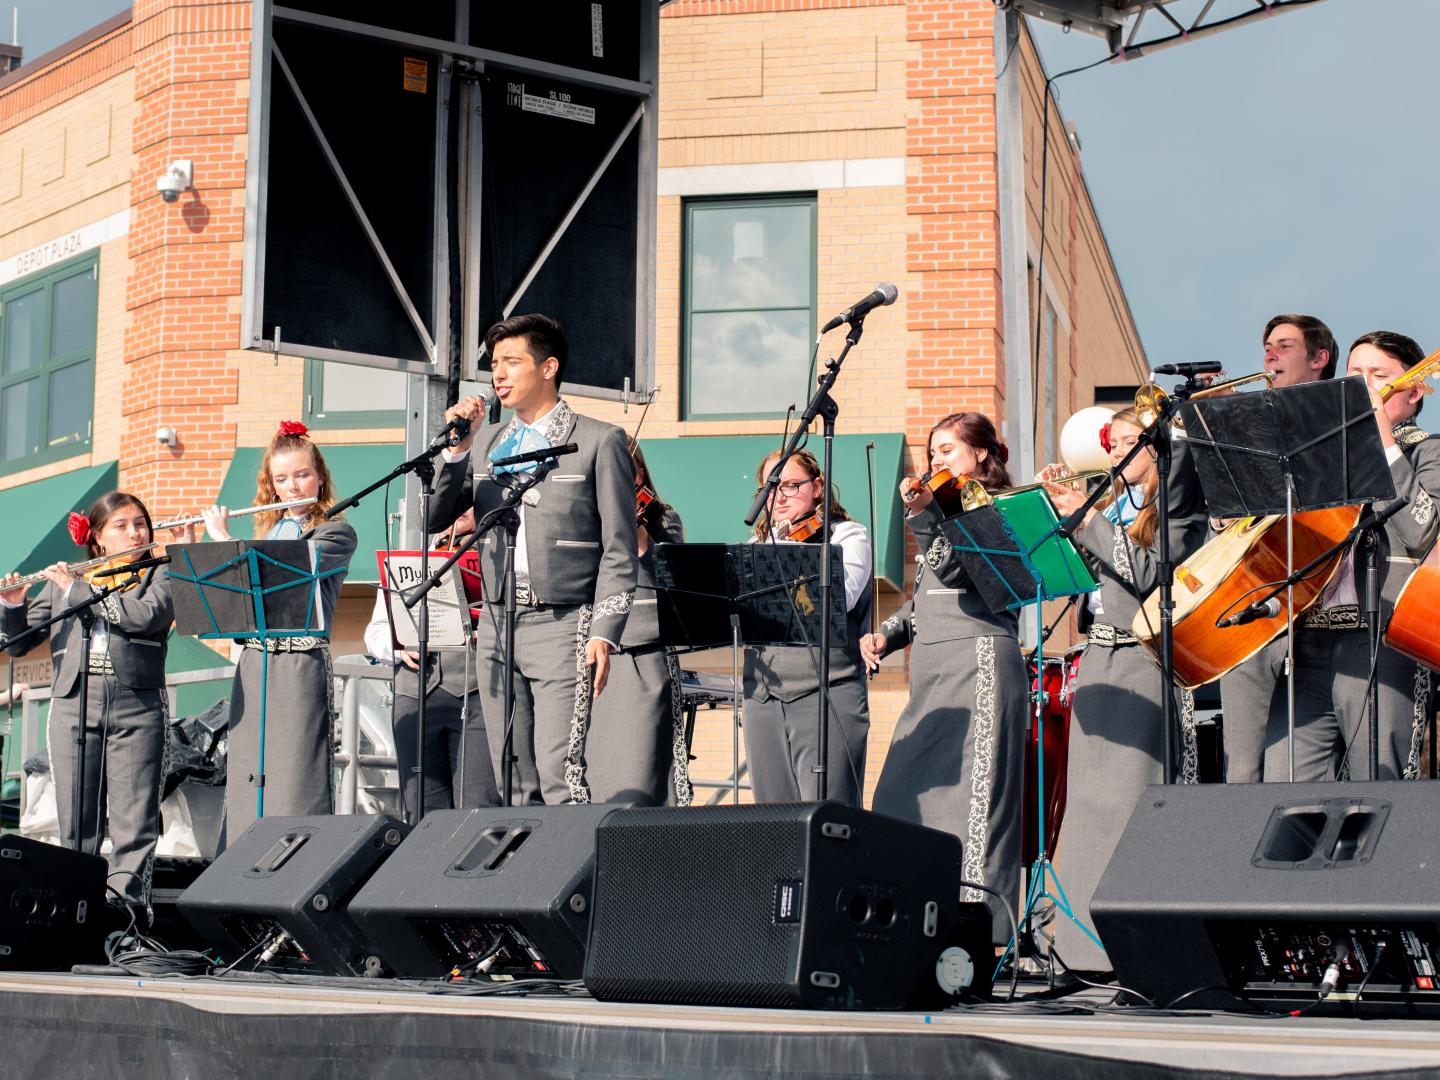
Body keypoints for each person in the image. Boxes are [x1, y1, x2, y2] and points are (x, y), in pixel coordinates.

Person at [429, 313, 638, 805]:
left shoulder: (597, 439)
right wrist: (457, 452)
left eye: (511, 362)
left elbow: (620, 548)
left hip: (564, 622)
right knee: (512, 777)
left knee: (559, 773)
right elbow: (436, 517)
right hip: (498, 623)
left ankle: (574, 878)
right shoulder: (487, 443)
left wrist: (605, 631)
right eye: (494, 363)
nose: (498, 374)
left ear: (547, 368)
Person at [1039, 407, 1210, 972]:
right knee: (1087, 807)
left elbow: (1143, 573)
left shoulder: (1181, 509)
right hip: (1100, 658)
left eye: (1128, 441)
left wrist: (1085, 521)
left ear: (1159, 448)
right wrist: (1056, 516)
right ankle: (1079, 949)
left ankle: (1135, 951)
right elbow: (1078, 578)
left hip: (1146, 657)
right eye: (1110, 441)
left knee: (1132, 802)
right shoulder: (1112, 507)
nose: (1113, 450)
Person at [861, 413, 1026, 944]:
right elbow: (926, 598)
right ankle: (919, 923)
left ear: (981, 454)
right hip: (931, 671)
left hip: (976, 662)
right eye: (932, 452)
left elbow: (959, 572)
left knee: (973, 807)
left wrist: (925, 516)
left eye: (948, 450)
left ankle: (981, 936)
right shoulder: (941, 511)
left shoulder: (996, 509)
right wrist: (887, 633)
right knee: (896, 800)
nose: (935, 461)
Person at [1264, 331, 1440, 781]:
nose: (1361, 386)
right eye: (1354, 375)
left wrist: (1382, 442)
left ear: (1414, 391)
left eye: (1377, 376)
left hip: (1384, 637)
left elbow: (1421, 529)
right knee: (1287, 789)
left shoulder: (1428, 450)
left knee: (1379, 789)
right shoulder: (1322, 455)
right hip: (1310, 638)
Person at [2, 493, 189, 904]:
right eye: (121, 525)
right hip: (74, 702)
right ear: (99, 537)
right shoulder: (65, 581)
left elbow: (146, 617)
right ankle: (73, 908)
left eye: (140, 523)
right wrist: (11, 606)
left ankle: (125, 916)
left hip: (136, 703)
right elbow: (19, 644)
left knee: (134, 819)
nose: (135, 532)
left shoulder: (160, 573)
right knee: (76, 818)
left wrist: (76, 590)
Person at [202, 421, 357, 839]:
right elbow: (235, 602)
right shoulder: (268, 530)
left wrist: (222, 540)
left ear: (319, 477)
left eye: (302, 475)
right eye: (281, 479)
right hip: (254, 662)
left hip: (299, 662)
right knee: (249, 769)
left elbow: (288, 568)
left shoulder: (336, 531)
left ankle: (293, 869)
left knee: (294, 773)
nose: (292, 486)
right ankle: (240, 872)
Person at [1220, 314, 1338, 782]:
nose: (1269, 354)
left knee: (1295, 778)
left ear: (1319, 359)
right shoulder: (1248, 425)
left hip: (1319, 618)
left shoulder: (1341, 421)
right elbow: (1222, 520)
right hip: (1252, 610)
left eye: (1284, 346)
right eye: (1267, 345)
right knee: (1241, 770)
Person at [744, 448, 872, 808]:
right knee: (771, 821)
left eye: (790, 485)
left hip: (826, 693)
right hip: (763, 696)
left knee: (827, 815)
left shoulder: (846, 535)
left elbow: (840, 597)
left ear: (817, 487)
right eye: (770, 487)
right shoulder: (755, 546)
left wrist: (782, 551)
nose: (778, 496)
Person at [364, 506, 498, 818]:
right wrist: (399, 649)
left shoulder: (494, 555)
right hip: (415, 696)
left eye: (467, 501)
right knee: (421, 808)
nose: (459, 509)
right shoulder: (411, 560)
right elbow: (375, 632)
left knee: (476, 804)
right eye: (452, 501)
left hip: (475, 693)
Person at [585, 444, 693, 805]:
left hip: (644, 654)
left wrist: (638, 534)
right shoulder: (589, 516)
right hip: (596, 653)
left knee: (644, 770)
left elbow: (673, 580)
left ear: (639, 475)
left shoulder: (664, 518)